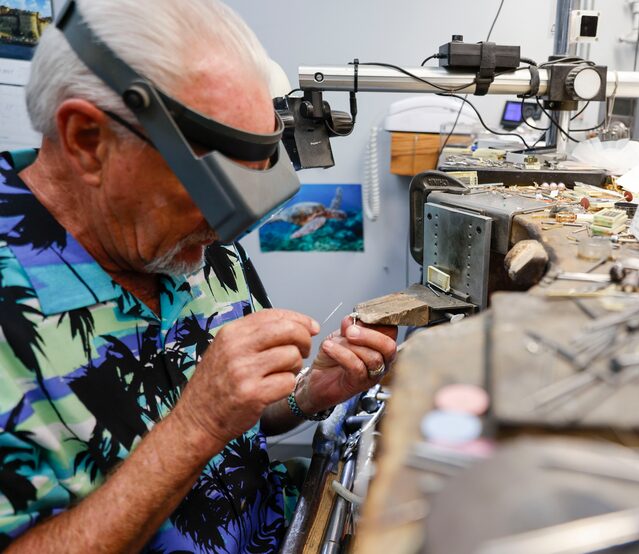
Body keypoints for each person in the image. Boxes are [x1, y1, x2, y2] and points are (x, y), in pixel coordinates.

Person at [0, 0, 398, 551]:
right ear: (88, 141)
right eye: (208, 186)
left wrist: (309, 393)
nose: (225, 225)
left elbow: (247, 418)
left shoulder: (195, 240)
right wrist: (195, 427)